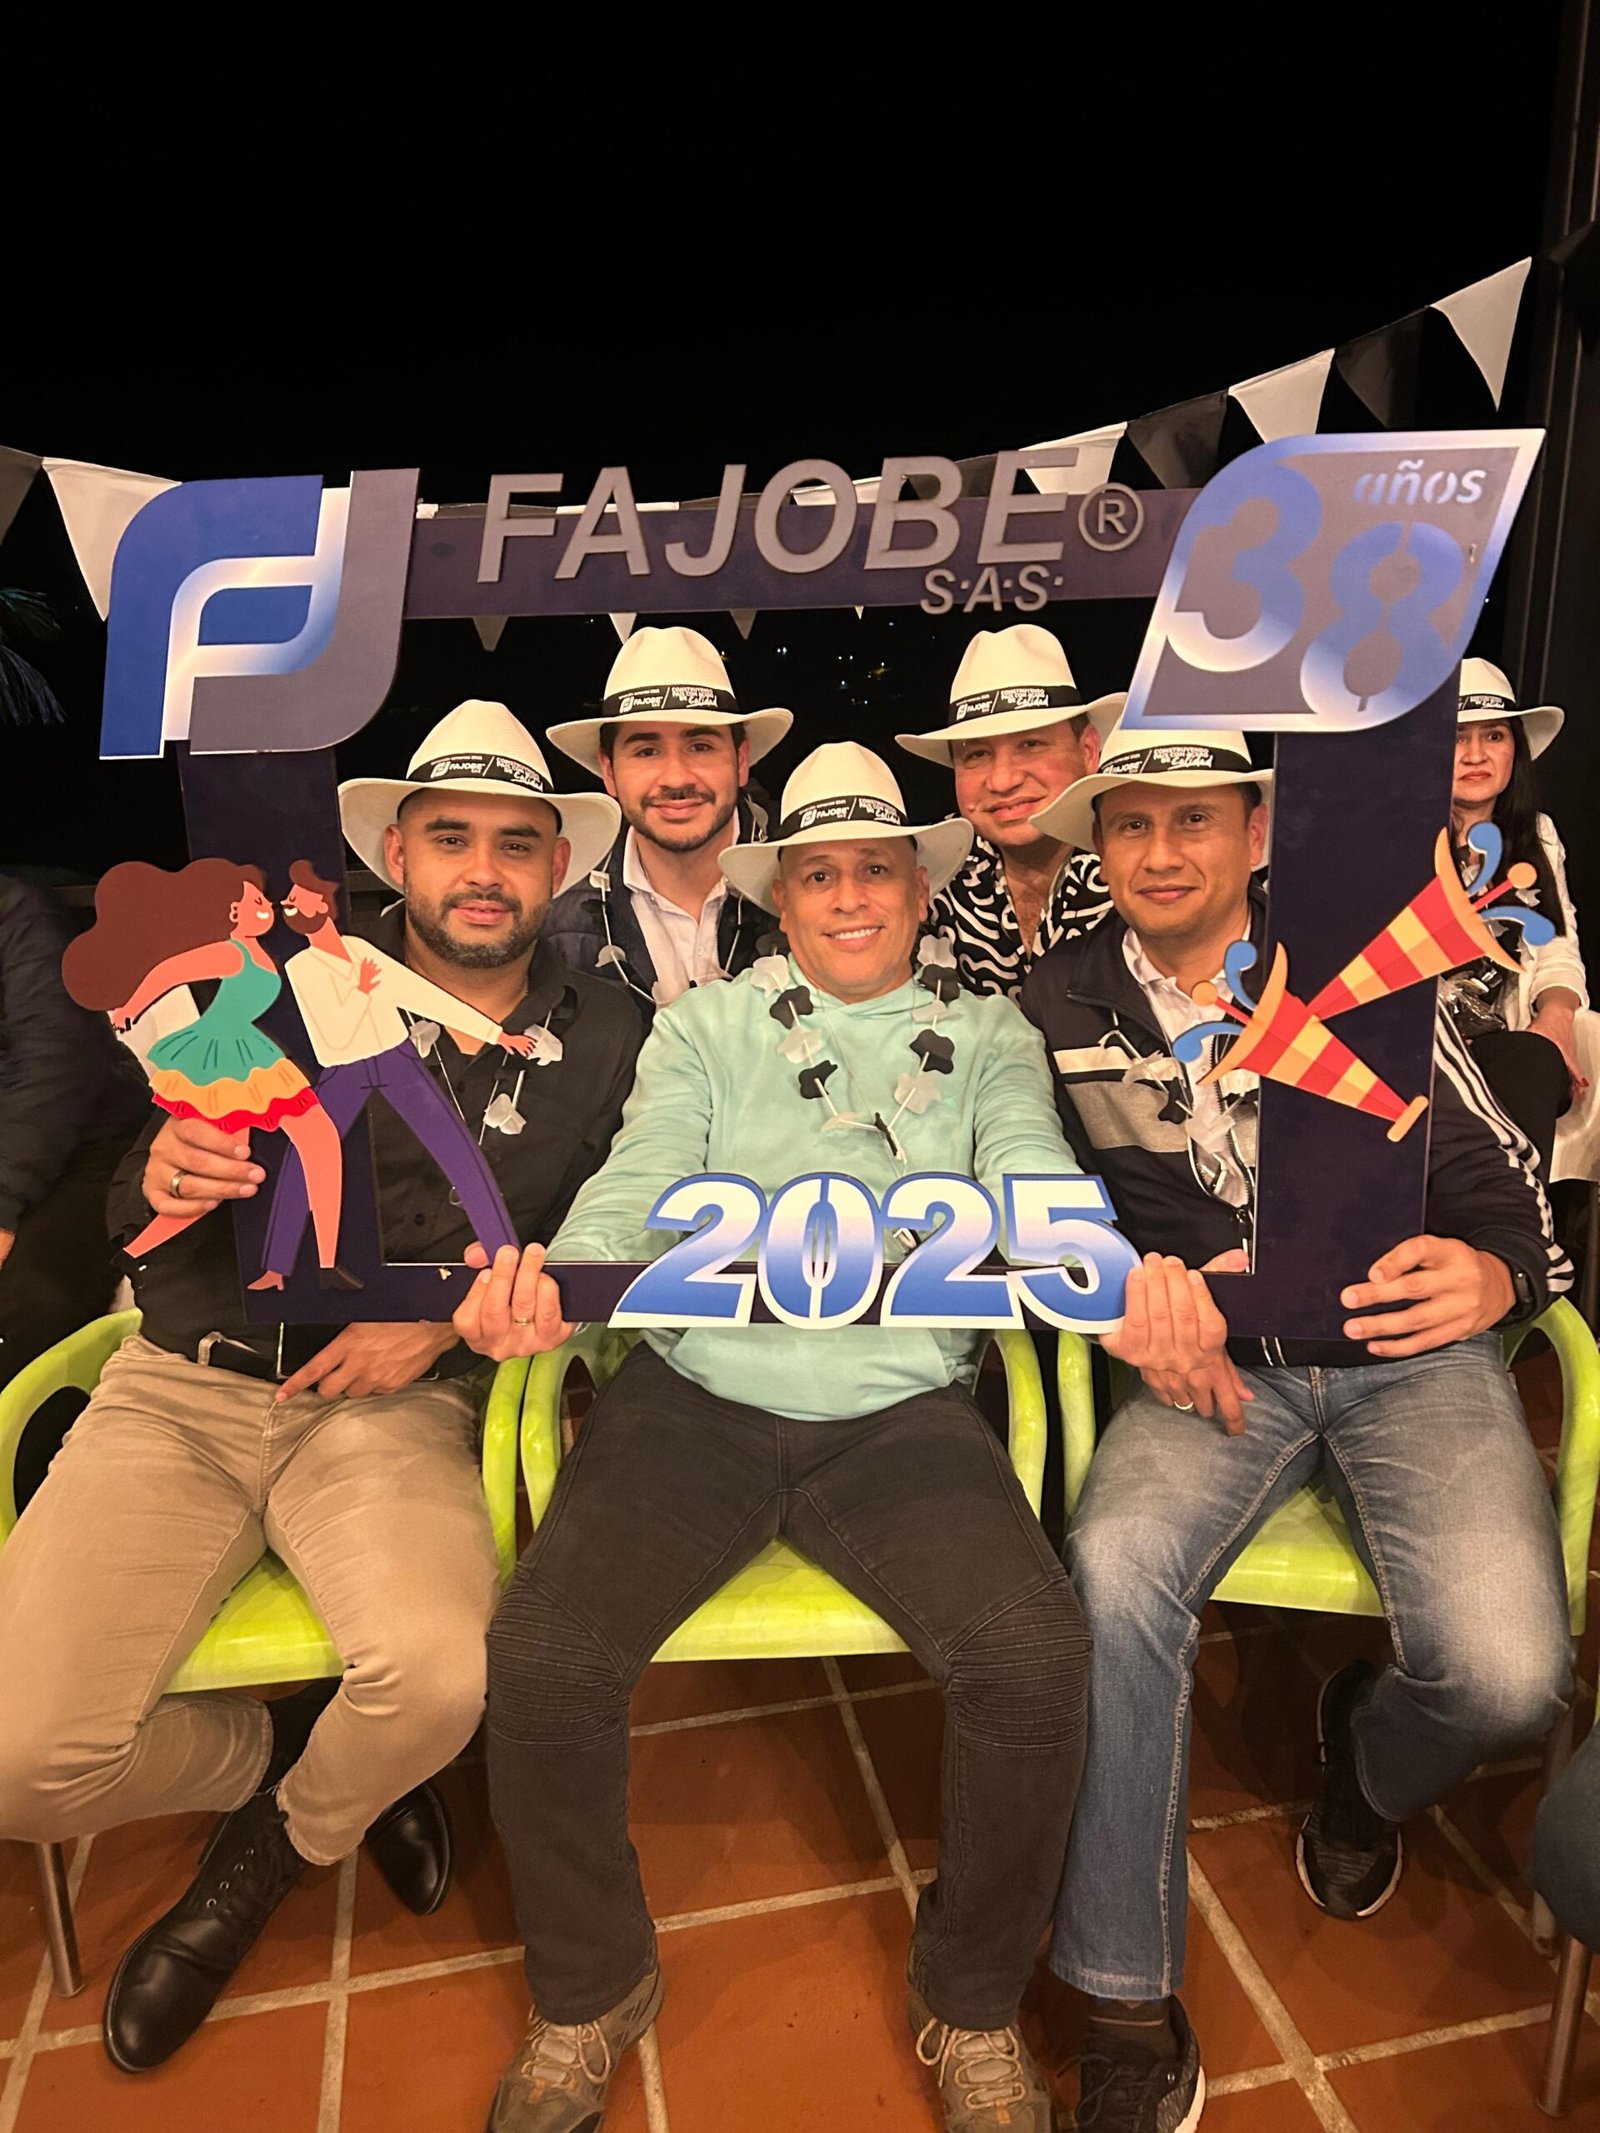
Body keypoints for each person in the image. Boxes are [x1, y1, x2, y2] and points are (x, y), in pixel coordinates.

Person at [454, 741, 1093, 2133]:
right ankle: (591, 1987)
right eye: (817, 875)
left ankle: (973, 2001)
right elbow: (639, 1178)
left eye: (875, 870)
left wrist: (1082, 1255)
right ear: (782, 897)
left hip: (902, 1409)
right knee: (544, 1656)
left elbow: (1030, 1168)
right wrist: (560, 1287)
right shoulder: (705, 1026)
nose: (848, 897)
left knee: (1036, 1658)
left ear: (917, 891)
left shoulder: (990, 1035)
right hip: (695, 1398)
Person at [0, 701, 643, 2075]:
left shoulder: (612, 1037)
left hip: (397, 1407)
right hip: (182, 1388)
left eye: (516, 845)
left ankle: (266, 1858)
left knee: (439, 1678)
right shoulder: (266, 987)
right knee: (18, 1758)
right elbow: (128, 1207)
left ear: (559, 867)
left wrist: (445, 1332)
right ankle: (292, 1756)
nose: (483, 872)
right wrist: (158, 1178)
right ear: (395, 855)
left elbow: (602, 1247)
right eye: (451, 839)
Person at [1018, 722, 1574, 2133]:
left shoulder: (1359, 965)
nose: (1160, 851)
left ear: (1255, 833)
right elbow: (1028, 1192)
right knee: (1113, 1572)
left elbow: (1499, 1168)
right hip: (1214, 1370)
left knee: (1511, 1677)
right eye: (1130, 824)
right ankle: (1122, 1997)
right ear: (1099, 847)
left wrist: (1498, 1270)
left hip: (1407, 1354)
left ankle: (1363, 1765)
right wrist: (1117, 1285)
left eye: (1194, 820)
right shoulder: (1054, 1001)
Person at [254, 856, 542, 1285]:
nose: (289, 906)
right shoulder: (302, 967)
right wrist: (361, 992)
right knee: (304, 1156)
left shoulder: (359, 951)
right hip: (345, 1070)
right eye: (288, 902)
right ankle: (277, 1268)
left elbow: (420, 994)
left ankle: (505, 1258)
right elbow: (331, 1035)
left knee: (459, 1152)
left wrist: (496, 1034)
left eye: (297, 898)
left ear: (323, 903)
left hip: (395, 1059)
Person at [64, 860, 353, 1279]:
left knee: (284, 1150)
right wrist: (131, 1008)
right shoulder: (231, 952)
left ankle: (329, 1261)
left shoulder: (263, 951)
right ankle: (138, 1248)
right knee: (218, 1169)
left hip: (251, 1052)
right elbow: (169, 971)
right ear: (234, 912)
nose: (267, 906)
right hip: (225, 1056)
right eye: (256, 902)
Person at [544, 625, 791, 1013]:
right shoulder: (553, 916)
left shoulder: (809, 879)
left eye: (700, 746)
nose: (676, 778)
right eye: (646, 751)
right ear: (609, 771)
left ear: (741, 760)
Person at [0, 870, 147, 1490]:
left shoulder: (15, 911)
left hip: (86, 1142)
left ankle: (31, 1493)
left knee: (33, 1296)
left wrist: (4, 1203)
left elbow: (55, 1063)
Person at [897, 624, 1123, 1000]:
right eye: (977, 754)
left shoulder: (1143, 864)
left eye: (1031, 744)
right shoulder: (931, 876)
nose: (1003, 780)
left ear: (1088, 752)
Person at [1444, 657, 1590, 1178]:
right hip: (1410, 1039)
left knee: (1531, 1059)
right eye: (1458, 737)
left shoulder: (1538, 835)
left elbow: (1558, 948)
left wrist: (1556, 1016)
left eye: (1494, 736)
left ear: (1515, 750)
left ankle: (1515, 1224)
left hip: (1497, 1038)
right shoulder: (1390, 837)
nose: (1476, 755)